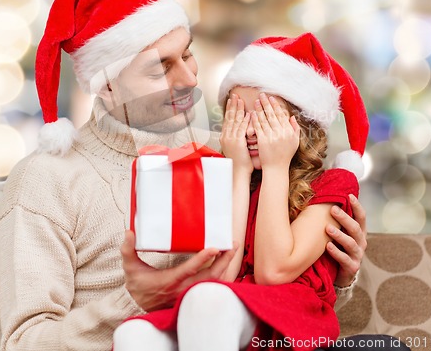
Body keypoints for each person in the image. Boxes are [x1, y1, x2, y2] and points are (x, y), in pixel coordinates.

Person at [0, 0, 367, 351]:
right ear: (107, 85)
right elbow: (23, 343)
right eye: (160, 69)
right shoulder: (46, 180)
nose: (189, 79)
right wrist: (135, 301)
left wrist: (337, 271)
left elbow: (270, 291)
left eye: (188, 55)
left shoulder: (229, 153)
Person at [113, 33, 371, 351]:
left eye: (264, 117)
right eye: (237, 116)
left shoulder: (333, 184)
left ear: (302, 125)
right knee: (133, 334)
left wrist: (277, 167)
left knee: (206, 298)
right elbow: (224, 274)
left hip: (287, 323)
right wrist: (238, 170)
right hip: (223, 315)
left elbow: (272, 272)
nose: (249, 130)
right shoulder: (226, 177)